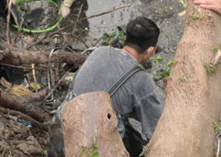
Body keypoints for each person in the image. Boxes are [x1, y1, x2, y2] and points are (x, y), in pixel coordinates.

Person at [57, 17, 163, 156]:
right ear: (150, 50)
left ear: (126, 37)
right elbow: (156, 127)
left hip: (61, 133)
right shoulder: (141, 80)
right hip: (93, 148)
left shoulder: (100, 51)